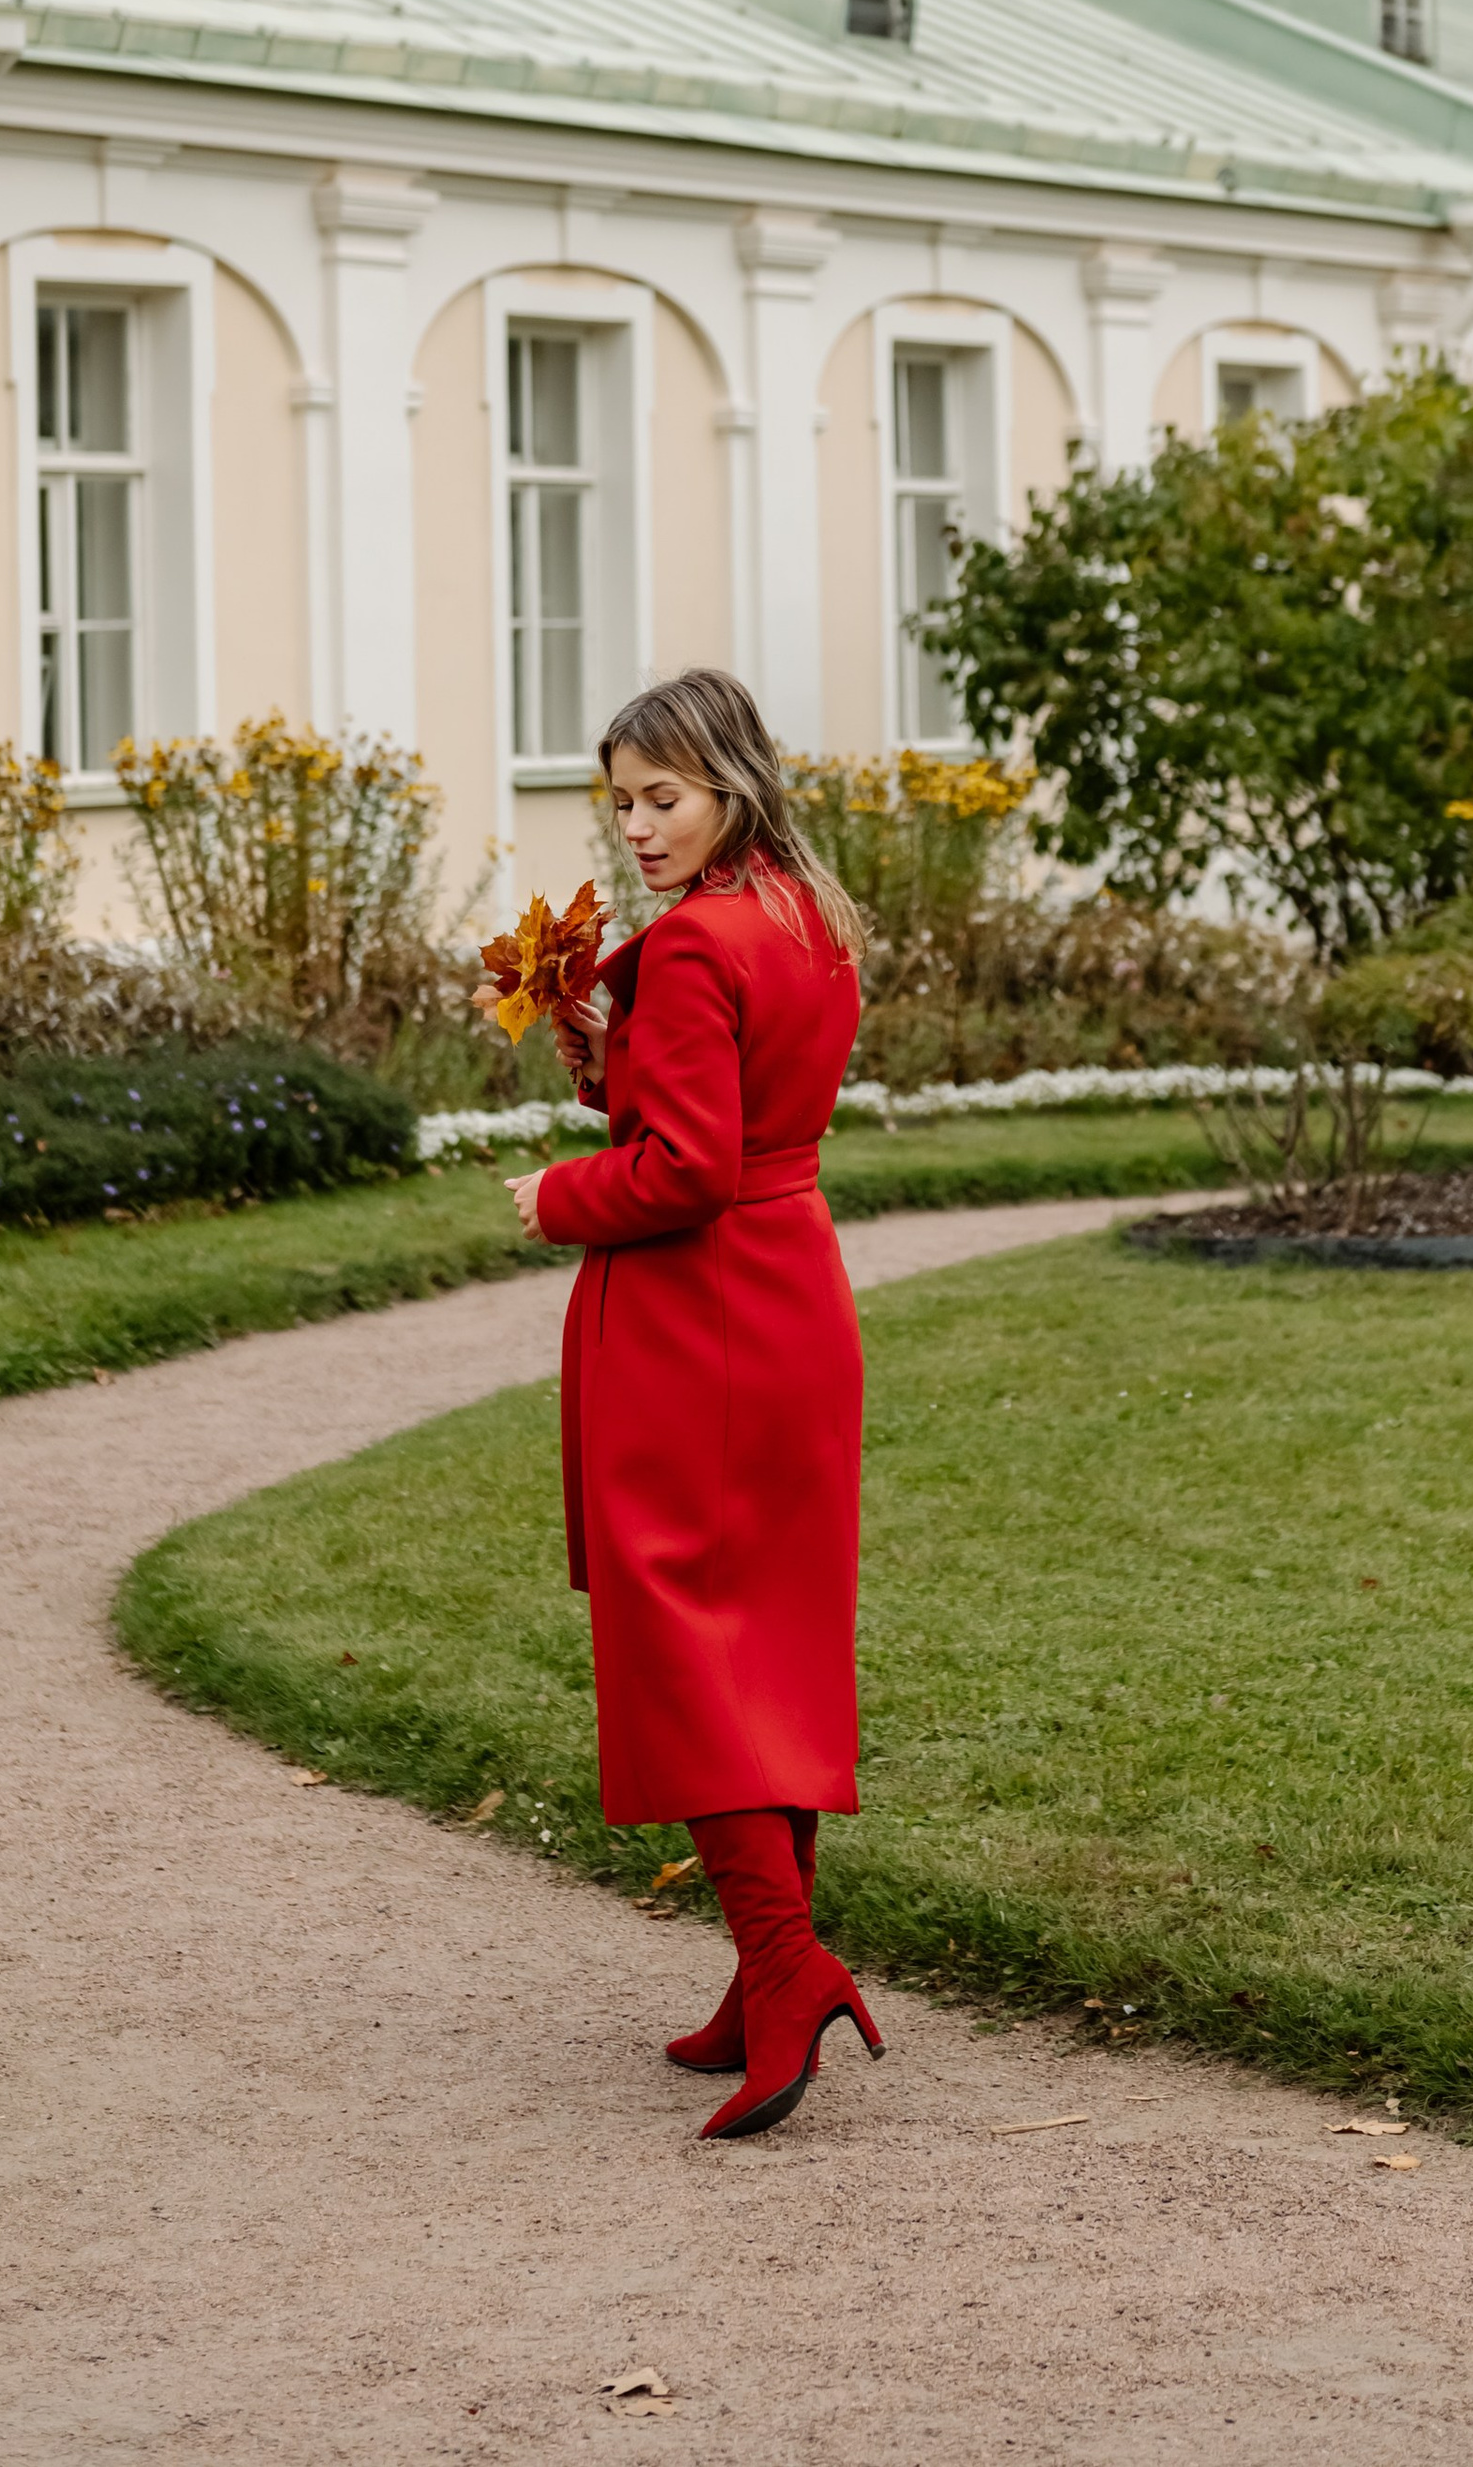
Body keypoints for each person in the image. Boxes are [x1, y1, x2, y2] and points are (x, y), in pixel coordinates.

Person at [506, 666, 883, 2142]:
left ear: (731, 782)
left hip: (693, 1322)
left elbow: (684, 1172)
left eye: (663, 798)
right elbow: (736, 1112)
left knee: (683, 1638)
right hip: (792, 1302)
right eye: (623, 805)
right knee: (768, 1638)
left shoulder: (693, 944)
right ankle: (763, 1969)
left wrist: (555, 1198)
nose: (639, 828)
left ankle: (787, 1963)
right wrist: (615, 1067)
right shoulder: (806, 916)